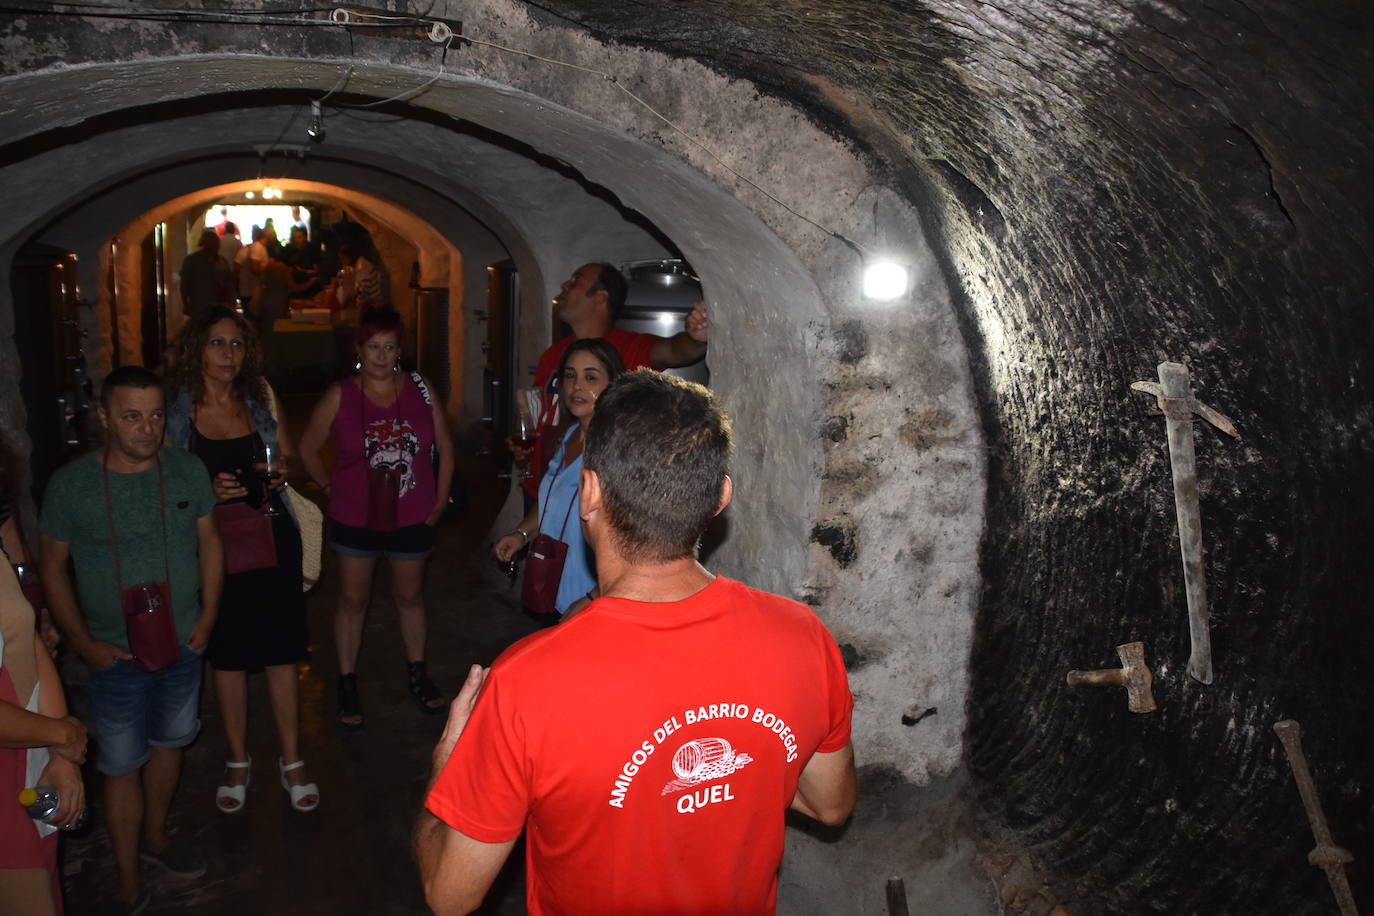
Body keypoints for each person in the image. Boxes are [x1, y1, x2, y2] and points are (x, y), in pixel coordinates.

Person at [417, 370, 857, 915]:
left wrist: (448, 760)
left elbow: (449, 895)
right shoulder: (802, 636)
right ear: (720, 496)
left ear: (591, 491)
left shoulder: (527, 682)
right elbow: (831, 805)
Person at [40, 366, 220, 915]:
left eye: (156, 415)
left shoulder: (188, 470)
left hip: (183, 643)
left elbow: (210, 544)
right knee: (120, 765)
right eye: (131, 416)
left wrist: (209, 616)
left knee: (170, 743)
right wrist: (81, 642)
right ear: (103, 419)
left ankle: (157, 838)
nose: (146, 428)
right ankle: (125, 878)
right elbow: (52, 569)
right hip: (113, 655)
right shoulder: (71, 486)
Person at [165, 307, 318, 815]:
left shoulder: (259, 401)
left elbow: (288, 457)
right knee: (227, 656)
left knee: (280, 651)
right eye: (216, 343)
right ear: (196, 350)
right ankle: (237, 759)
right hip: (213, 549)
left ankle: (292, 759)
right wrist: (204, 491)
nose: (228, 354)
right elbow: (160, 484)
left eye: (236, 344)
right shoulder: (177, 413)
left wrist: (279, 473)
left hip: (271, 537)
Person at [299, 306, 454, 731]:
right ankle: (347, 680)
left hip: (412, 513)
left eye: (389, 348)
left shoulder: (420, 389)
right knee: (352, 600)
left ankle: (417, 673)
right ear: (359, 349)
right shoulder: (341, 394)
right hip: (356, 517)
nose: (381, 357)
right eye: (373, 347)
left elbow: (443, 445)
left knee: (410, 597)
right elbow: (308, 446)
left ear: (399, 350)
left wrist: (440, 500)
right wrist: (331, 488)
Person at [516, 263, 709, 499]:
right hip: (541, 489)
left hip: (589, 495)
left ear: (600, 297)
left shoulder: (629, 347)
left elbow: (678, 350)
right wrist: (528, 447)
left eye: (576, 280)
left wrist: (696, 338)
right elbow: (545, 416)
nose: (564, 285)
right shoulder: (552, 354)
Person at [0, 448, 85, 916]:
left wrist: (61, 756)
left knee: (45, 876)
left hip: (28, 751)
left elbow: (29, 636)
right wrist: (64, 734)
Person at [494, 339, 624, 621]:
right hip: (555, 585)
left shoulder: (617, 452)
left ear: (613, 385)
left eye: (590, 377)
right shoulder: (568, 436)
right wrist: (522, 534)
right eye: (569, 375)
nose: (577, 386)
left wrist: (594, 597)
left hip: (590, 598)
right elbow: (550, 504)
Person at [179, 229, 233, 320]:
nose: (217, 246)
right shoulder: (192, 260)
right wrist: (185, 304)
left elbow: (228, 281)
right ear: (206, 244)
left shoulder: (222, 261)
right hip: (199, 306)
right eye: (214, 243)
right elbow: (184, 283)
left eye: (217, 243)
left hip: (219, 307)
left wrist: (230, 300)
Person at [335, 242, 384, 311]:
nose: (342, 261)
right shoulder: (359, 265)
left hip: (372, 307)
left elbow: (363, 291)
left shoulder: (362, 266)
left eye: (343, 258)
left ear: (350, 256)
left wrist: (352, 303)